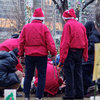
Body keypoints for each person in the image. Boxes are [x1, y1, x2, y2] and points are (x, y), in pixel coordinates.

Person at [18, 8, 57, 100]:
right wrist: (53, 53)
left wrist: (21, 54)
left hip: (29, 55)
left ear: (33, 18)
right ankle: (39, 97)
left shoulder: (26, 27)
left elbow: (21, 42)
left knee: (28, 75)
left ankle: (26, 96)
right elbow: (50, 42)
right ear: (42, 19)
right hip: (42, 55)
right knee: (41, 76)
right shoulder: (44, 28)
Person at [60, 8, 88, 100]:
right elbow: (86, 42)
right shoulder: (81, 26)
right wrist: (85, 55)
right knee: (78, 73)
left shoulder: (68, 25)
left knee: (69, 74)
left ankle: (69, 94)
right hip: (79, 52)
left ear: (66, 18)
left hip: (70, 52)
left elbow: (65, 43)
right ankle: (79, 93)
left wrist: (62, 59)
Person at [82, 21, 100, 96]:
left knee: (84, 73)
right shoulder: (95, 35)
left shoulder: (92, 36)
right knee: (88, 74)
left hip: (90, 59)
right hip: (93, 58)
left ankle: (92, 88)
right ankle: (92, 90)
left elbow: (92, 47)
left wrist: (84, 51)